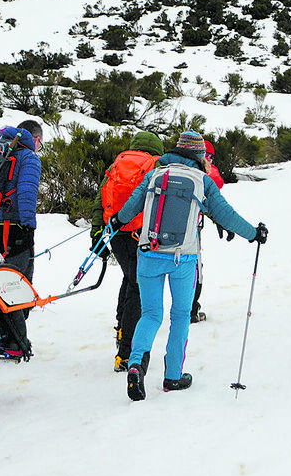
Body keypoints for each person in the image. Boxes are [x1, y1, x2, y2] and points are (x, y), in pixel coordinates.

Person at [108, 130, 266, 401]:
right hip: (183, 259)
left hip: (148, 253)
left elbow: (130, 207)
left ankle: (136, 366)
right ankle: (172, 377)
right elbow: (226, 215)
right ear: (198, 155)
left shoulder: (155, 174)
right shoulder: (203, 181)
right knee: (180, 316)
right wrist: (253, 233)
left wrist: (117, 221)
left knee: (151, 315)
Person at [99, 129, 165, 372]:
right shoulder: (155, 166)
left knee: (130, 279)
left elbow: (100, 200)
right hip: (141, 234)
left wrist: (98, 232)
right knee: (138, 289)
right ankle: (126, 353)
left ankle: (121, 327)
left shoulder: (118, 163)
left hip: (117, 232)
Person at [0, 120, 42, 360]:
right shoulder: (28, 157)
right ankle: (13, 342)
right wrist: (28, 227)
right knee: (17, 282)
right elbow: (27, 194)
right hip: (12, 226)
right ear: (35, 140)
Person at [190, 137, 228, 324]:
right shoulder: (203, 173)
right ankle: (191, 310)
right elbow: (216, 183)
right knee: (195, 268)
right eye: (209, 156)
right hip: (191, 229)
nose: (210, 160)